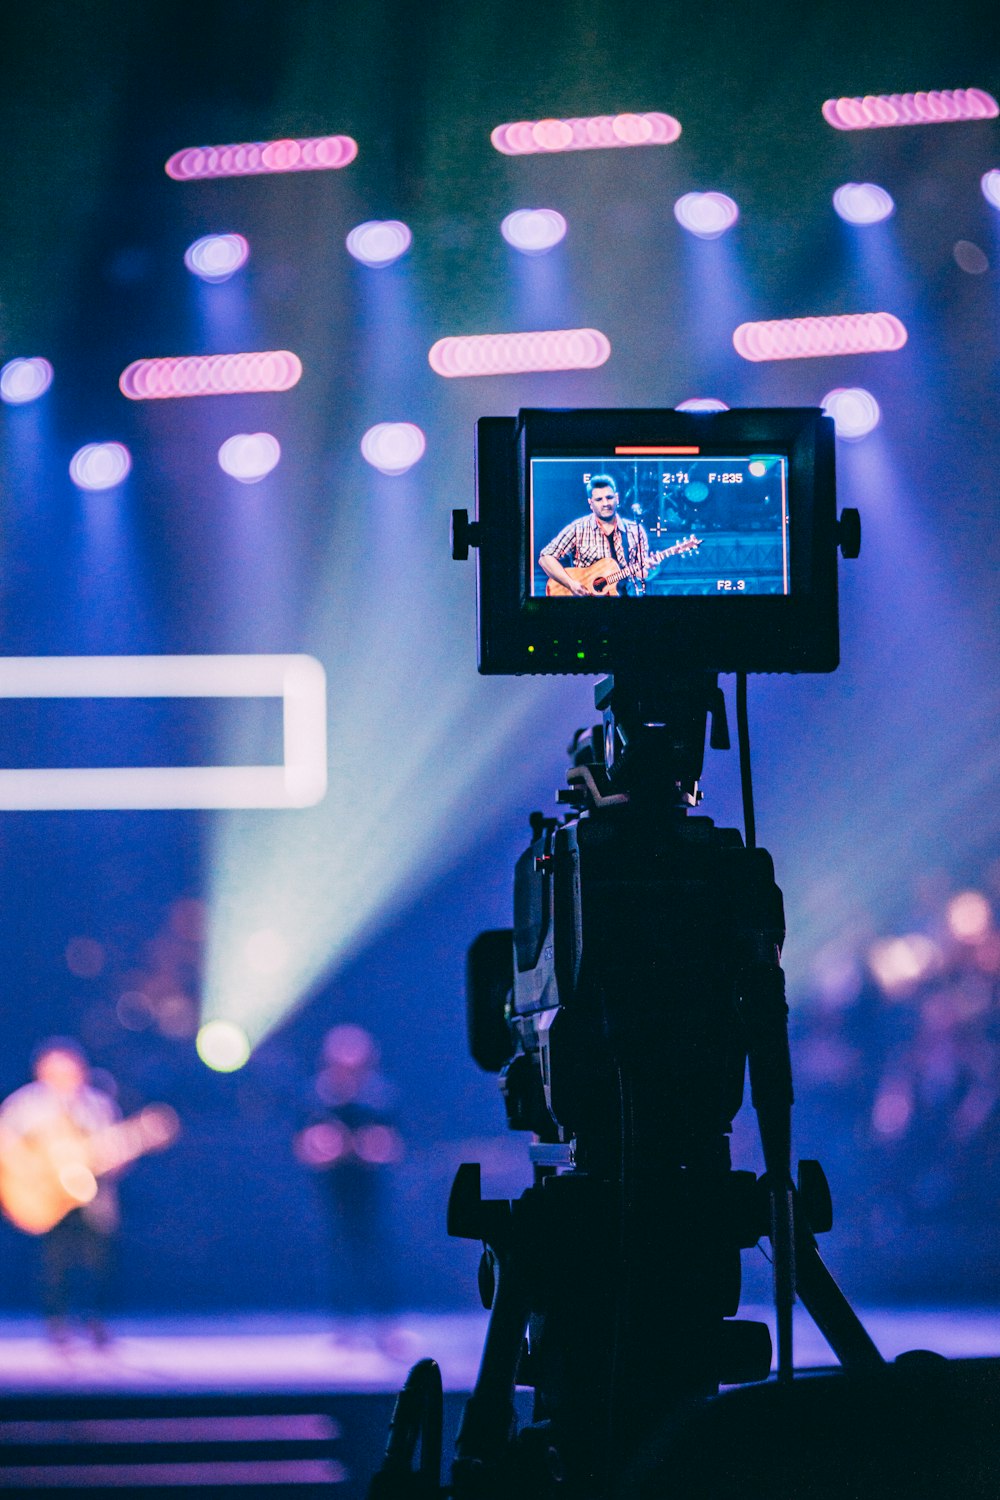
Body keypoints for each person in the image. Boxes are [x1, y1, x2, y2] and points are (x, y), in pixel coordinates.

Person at [0, 1040, 121, 1346]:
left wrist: (114, 1159)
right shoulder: (24, 1105)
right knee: (55, 1262)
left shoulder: (98, 1105)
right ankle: (57, 1324)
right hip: (46, 1198)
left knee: (97, 1261)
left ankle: (92, 1320)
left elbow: (113, 1153)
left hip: (91, 1198)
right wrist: (35, 1170)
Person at [539, 474, 653, 596]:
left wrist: (650, 568)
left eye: (609, 498)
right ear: (590, 503)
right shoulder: (578, 528)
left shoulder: (636, 530)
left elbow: (642, 574)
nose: (605, 503)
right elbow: (545, 557)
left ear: (617, 498)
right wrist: (570, 584)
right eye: (599, 499)